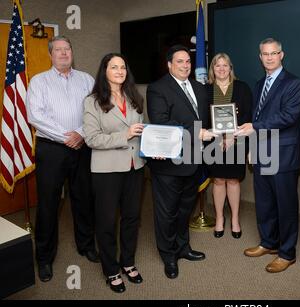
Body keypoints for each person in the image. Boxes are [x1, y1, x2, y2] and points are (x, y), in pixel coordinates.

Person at [26, 36, 99, 283]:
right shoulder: (39, 81)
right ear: (51, 54)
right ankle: (44, 258)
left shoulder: (87, 79)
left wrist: (80, 133)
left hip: (83, 145)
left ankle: (86, 245)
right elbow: (36, 115)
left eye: (67, 48)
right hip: (52, 149)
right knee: (48, 204)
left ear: (72, 52)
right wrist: (65, 136)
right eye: (58, 50)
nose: (64, 53)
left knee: (84, 199)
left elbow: (95, 110)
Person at [236, 38, 300, 273]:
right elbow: (256, 118)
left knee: (285, 205)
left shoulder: (294, 83)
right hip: (261, 151)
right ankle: (268, 242)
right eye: (265, 54)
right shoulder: (259, 84)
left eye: (274, 53)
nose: (269, 57)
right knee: (265, 203)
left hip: (283, 153)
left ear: (282, 55)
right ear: (260, 57)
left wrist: (254, 128)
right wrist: (252, 149)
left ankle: (286, 253)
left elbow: (288, 117)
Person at [146, 45, 215, 279]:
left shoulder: (200, 88)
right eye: (180, 62)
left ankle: (183, 248)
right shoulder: (157, 89)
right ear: (169, 65)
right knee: (167, 212)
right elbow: (162, 124)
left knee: (186, 209)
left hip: (194, 160)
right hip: (169, 164)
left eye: (188, 61)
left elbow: (207, 118)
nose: (185, 65)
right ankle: (168, 256)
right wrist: (198, 133)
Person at [83, 53, 145, 293]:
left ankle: (128, 262)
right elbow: (91, 138)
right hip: (107, 170)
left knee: (131, 218)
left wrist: (153, 146)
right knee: (107, 221)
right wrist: (125, 135)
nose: (120, 71)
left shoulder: (134, 96)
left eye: (123, 67)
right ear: (104, 71)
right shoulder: (93, 101)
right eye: (114, 67)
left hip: (135, 166)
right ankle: (111, 270)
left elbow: (140, 130)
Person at [206, 53, 253, 239]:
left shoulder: (242, 88)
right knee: (218, 180)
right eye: (217, 66)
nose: (222, 69)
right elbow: (202, 116)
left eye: (225, 65)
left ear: (230, 68)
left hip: (237, 140)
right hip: (214, 141)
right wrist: (217, 136)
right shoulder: (206, 90)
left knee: (233, 180)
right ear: (212, 69)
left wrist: (232, 136)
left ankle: (234, 219)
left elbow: (248, 115)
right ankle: (219, 219)